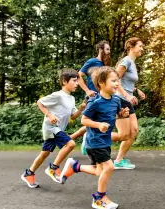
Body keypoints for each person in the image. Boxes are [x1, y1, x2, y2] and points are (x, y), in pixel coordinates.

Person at [61, 66, 129, 209]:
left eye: (118, 80)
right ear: (101, 83)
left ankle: (75, 166)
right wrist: (98, 125)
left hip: (105, 141)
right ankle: (99, 198)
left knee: (99, 171)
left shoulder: (116, 100)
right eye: (113, 80)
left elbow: (115, 115)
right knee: (109, 167)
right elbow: (84, 120)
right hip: (94, 141)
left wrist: (122, 114)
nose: (117, 83)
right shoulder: (95, 102)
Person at [21, 69, 86, 188]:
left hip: (56, 129)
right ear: (65, 81)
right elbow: (40, 102)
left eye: (77, 81)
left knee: (44, 154)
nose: (77, 84)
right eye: (74, 81)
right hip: (51, 127)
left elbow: (73, 116)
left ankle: (28, 173)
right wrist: (50, 115)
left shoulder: (71, 99)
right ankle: (53, 168)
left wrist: (81, 109)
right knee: (70, 144)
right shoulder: (58, 95)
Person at [113, 37, 146, 170]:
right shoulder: (126, 61)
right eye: (140, 46)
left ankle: (119, 161)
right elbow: (114, 80)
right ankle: (91, 137)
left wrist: (135, 91)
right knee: (124, 134)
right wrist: (127, 95)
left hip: (127, 99)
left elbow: (126, 82)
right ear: (131, 47)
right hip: (120, 99)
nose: (142, 49)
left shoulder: (132, 63)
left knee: (134, 131)